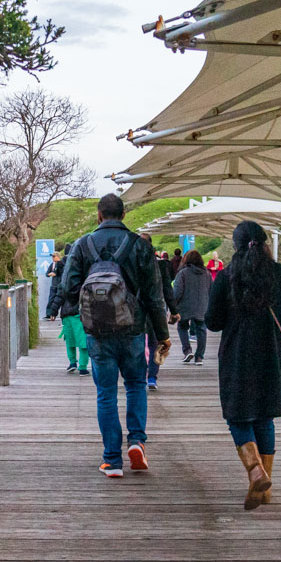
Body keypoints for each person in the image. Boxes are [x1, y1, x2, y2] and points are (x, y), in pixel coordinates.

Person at [62, 194, 171, 478]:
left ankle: (112, 459)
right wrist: (162, 334)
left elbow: (68, 288)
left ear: (99, 215)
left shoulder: (82, 245)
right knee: (136, 385)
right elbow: (154, 296)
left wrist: (89, 302)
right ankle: (136, 442)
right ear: (123, 215)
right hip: (134, 329)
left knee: (106, 393)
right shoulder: (139, 245)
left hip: (97, 331)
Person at [205, 221, 281, 509]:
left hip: (237, 355)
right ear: (265, 243)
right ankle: (264, 488)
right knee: (264, 416)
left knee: (237, 416)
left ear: (235, 246)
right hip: (273, 354)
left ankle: (255, 471)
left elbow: (212, 321)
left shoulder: (227, 276)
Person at [140, 233, 180, 390]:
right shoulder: (161, 265)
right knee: (156, 344)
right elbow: (167, 290)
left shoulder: (129, 263)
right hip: (157, 309)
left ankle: (140, 375)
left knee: (138, 344)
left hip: (135, 312)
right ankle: (152, 377)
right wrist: (174, 311)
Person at [173, 249, 211, 365]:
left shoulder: (183, 273)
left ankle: (187, 350)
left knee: (182, 327)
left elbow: (178, 291)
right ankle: (199, 357)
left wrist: (173, 306)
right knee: (201, 330)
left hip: (185, 306)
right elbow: (211, 290)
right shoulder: (207, 274)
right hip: (202, 307)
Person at [44, 252, 64, 320]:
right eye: (52, 257)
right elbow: (46, 274)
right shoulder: (52, 265)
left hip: (60, 285)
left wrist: (56, 273)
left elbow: (62, 273)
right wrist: (49, 274)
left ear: (58, 256)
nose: (53, 258)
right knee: (51, 300)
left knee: (60, 300)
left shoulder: (61, 264)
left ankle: (61, 314)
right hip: (53, 285)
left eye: (54, 256)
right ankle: (49, 314)